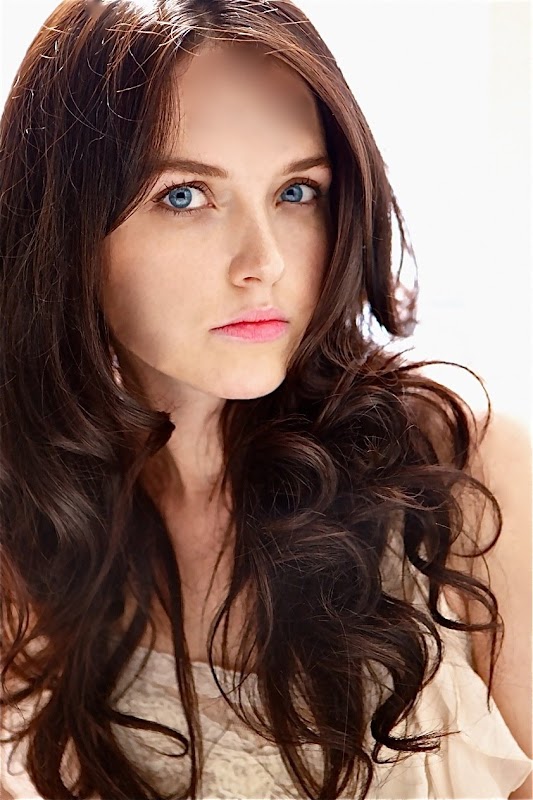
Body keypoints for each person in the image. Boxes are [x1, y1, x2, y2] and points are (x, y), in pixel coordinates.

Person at [0, 0, 531, 798]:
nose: (265, 261)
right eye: (185, 195)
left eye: (296, 191)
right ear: (62, 224)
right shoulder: (27, 514)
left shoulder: (462, 474)